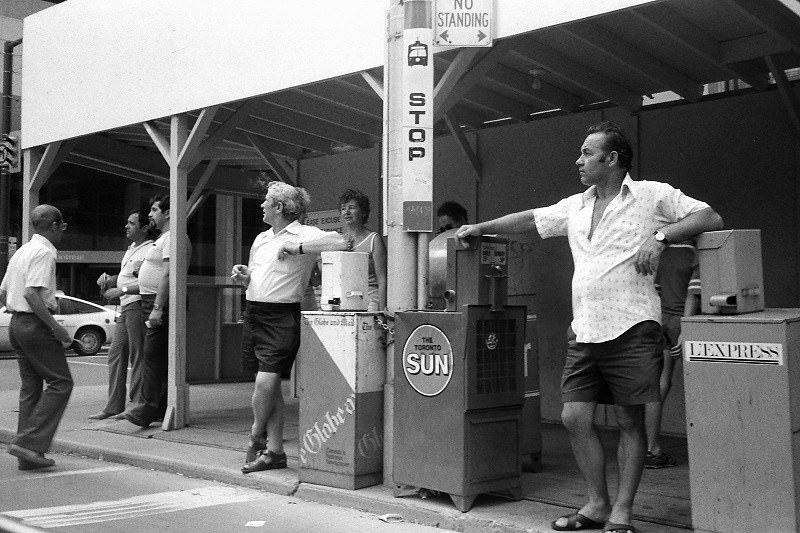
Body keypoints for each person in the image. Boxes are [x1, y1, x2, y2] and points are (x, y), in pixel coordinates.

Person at [455, 121, 723, 533]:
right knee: (574, 417)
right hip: (585, 330)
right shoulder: (576, 205)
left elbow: (710, 216)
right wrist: (482, 226)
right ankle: (596, 504)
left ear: (611, 158)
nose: (578, 161)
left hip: (633, 325)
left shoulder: (652, 194)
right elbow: (530, 218)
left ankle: (622, 511)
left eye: (586, 153)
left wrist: (662, 237)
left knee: (630, 422)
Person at [232, 181, 346, 473]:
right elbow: (257, 277)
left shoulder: (303, 233)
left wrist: (298, 247)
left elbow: (341, 241)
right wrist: (245, 276)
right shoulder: (260, 238)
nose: (261, 205)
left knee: (265, 383)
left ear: (279, 207)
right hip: (254, 312)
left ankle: (255, 434)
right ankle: (275, 453)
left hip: (283, 315)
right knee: (271, 390)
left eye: (266, 201)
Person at [1, 205, 73, 470]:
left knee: (30, 388)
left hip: (17, 324)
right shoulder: (44, 252)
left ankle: (27, 455)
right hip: (35, 325)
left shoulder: (21, 251)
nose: (63, 231)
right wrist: (56, 327)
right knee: (61, 383)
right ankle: (29, 444)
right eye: (62, 226)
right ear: (54, 225)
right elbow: (33, 294)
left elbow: (4, 291)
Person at [124, 194, 191, 428]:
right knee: (154, 356)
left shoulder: (173, 237)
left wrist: (157, 308)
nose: (150, 215)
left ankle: (147, 407)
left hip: (157, 303)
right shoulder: (165, 238)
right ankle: (155, 406)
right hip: (150, 301)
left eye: (154, 210)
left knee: (152, 357)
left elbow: (169, 274)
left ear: (169, 213)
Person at [88, 209, 157, 420]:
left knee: (138, 356)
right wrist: (111, 280)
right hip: (125, 307)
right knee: (116, 354)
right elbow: (127, 276)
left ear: (144, 228)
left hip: (136, 304)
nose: (126, 227)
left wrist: (122, 290)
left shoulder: (150, 250)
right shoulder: (131, 249)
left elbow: (145, 281)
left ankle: (135, 404)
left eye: (131, 223)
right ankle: (113, 405)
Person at [644, 241, 701, 469]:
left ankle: (651, 448)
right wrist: (685, 329)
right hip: (682, 320)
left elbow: (655, 291)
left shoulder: (662, 253)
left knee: (660, 383)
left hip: (661, 319)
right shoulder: (695, 254)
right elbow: (693, 295)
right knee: (697, 385)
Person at [339, 189, 387, 312]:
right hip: (345, 300)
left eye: (352, 207)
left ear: (364, 212)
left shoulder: (374, 240)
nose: (347, 212)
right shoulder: (338, 241)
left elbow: (382, 280)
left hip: (370, 301)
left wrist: (382, 312)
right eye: (343, 208)